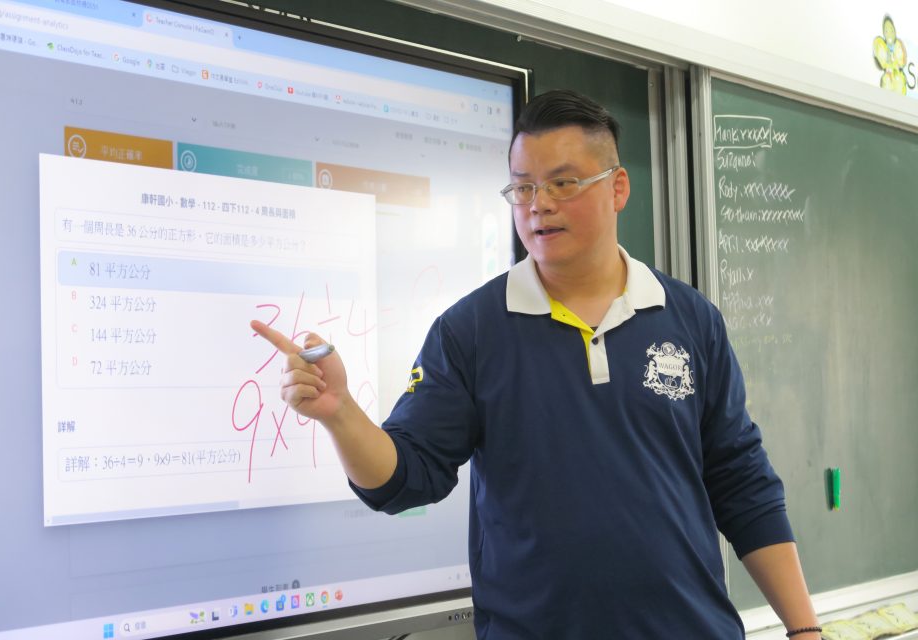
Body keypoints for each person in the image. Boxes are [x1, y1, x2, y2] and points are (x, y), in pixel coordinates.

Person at [251, 90, 821, 639]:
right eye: (522, 187)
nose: (538, 204)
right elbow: (404, 480)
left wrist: (804, 628)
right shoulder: (471, 330)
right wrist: (341, 414)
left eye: (563, 183)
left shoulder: (690, 318)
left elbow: (741, 482)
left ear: (618, 187)